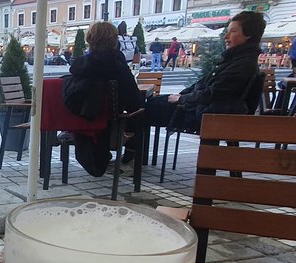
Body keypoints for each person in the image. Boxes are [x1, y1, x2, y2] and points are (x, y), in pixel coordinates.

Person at [144, 11, 265, 135]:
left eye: (233, 31)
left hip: (203, 114)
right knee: (151, 103)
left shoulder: (242, 65)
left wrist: (182, 98)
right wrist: (182, 95)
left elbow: (212, 93)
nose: (226, 36)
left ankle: (132, 151)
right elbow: (206, 85)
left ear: (248, 34)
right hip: (203, 109)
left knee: (141, 111)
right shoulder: (237, 60)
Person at [64, 21, 149, 175]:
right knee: (142, 112)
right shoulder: (118, 66)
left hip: (79, 126)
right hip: (111, 130)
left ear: (90, 40)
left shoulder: (78, 67)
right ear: (114, 40)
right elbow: (134, 102)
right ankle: (129, 160)